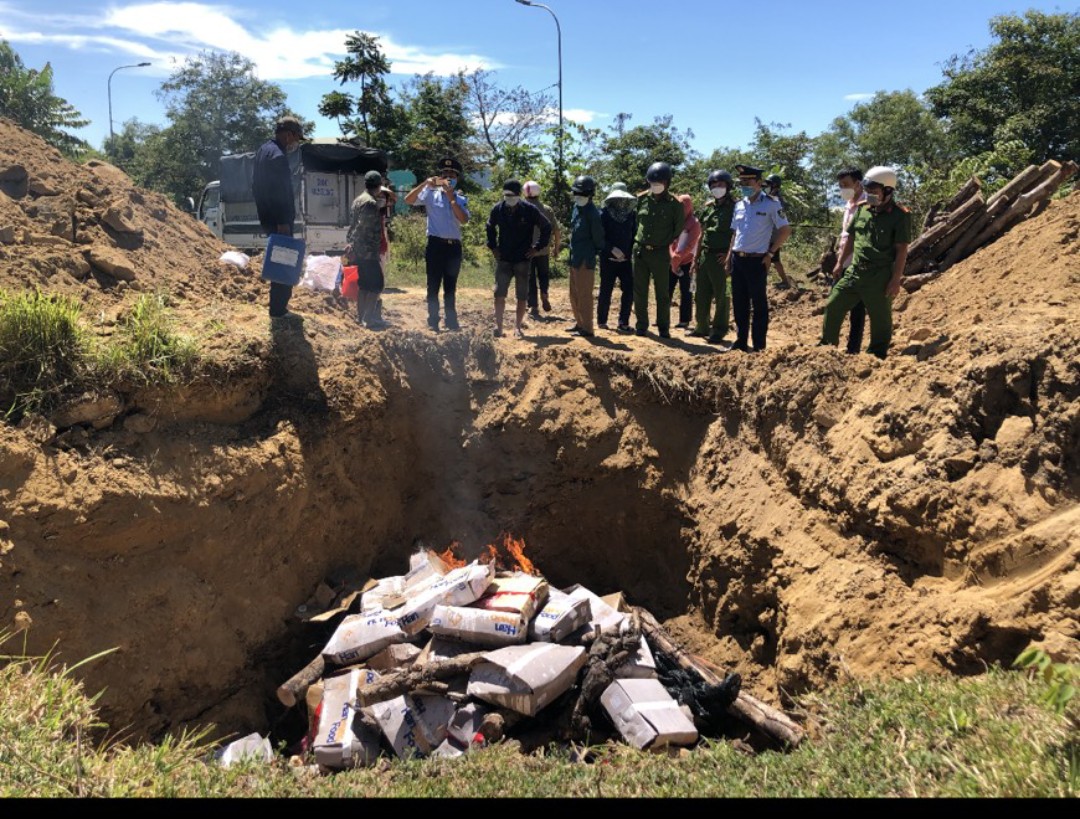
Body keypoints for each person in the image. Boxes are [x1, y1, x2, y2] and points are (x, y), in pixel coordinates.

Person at [820, 165, 911, 359]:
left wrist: (896, 279)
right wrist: (839, 262)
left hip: (879, 276)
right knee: (833, 305)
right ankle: (826, 349)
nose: (869, 195)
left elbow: (902, 249)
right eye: (868, 191)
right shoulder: (863, 210)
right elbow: (851, 238)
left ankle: (876, 356)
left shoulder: (899, 215)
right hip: (854, 271)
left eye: (874, 192)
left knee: (880, 320)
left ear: (888, 190)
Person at [723, 164, 791, 353]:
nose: (744, 184)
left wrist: (770, 253)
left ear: (759, 183)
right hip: (738, 259)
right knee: (739, 303)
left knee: (759, 304)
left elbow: (785, 230)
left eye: (748, 181)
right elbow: (735, 233)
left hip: (757, 260)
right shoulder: (739, 205)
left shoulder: (771, 204)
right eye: (742, 181)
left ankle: (759, 345)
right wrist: (729, 258)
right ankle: (740, 341)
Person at [403, 157, 470, 331]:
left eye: (452, 174)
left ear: (457, 177)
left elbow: (463, 220)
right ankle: (433, 320)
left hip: (453, 247)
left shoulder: (460, 198)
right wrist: (425, 183)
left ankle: (451, 320)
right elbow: (408, 200)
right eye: (445, 174)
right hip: (435, 245)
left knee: (450, 286)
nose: (448, 177)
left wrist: (451, 198)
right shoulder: (430, 194)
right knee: (433, 285)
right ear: (439, 176)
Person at [252, 116, 305, 319]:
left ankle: (277, 308)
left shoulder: (263, 151)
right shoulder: (278, 157)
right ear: (289, 134)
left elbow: (256, 187)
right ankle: (279, 310)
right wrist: (283, 222)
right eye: (296, 138)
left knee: (277, 260)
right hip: (280, 221)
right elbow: (280, 193)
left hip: (267, 217)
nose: (295, 143)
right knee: (284, 262)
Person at [485, 179, 552, 338]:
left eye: (512, 195)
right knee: (499, 293)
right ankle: (499, 327)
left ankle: (517, 328)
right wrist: (493, 246)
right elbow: (489, 226)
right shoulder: (498, 209)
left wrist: (537, 248)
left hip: (523, 259)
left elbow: (547, 226)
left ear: (519, 195)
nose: (509, 198)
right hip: (504, 258)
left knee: (522, 295)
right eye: (506, 195)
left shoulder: (529, 210)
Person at [633, 161, 685, 338]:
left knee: (662, 293)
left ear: (667, 183)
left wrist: (663, 243)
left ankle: (664, 328)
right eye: (652, 182)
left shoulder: (675, 204)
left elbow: (677, 229)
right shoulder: (640, 200)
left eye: (659, 182)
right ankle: (641, 325)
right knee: (640, 291)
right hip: (640, 251)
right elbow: (636, 224)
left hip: (661, 252)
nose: (655, 186)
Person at [690, 170, 736, 343]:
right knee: (700, 294)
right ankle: (701, 327)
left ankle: (719, 330)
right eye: (714, 186)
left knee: (723, 295)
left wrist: (729, 257)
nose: (717, 188)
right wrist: (695, 259)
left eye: (721, 185)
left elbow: (736, 234)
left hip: (721, 258)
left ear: (728, 186)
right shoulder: (709, 207)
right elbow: (701, 234)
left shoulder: (735, 207)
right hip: (705, 257)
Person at [345, 170, 387, 329]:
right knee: (377, 284)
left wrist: (350, 243)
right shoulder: (369, 203)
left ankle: (360, 317)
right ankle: (367, 319)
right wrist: (354, 244)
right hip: (367, 250)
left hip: (360, 250)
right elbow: (362, 227)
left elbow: (353, 225)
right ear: (378, 186)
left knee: (364, 285)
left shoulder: (358, 200)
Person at [832, 167, 868, 354]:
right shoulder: (848, 205)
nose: (842, 189)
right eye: (840, 186)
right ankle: (829, 346)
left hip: (857, 264)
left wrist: (840, 262)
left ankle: (853, 349)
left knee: (857, 311)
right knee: (834, 305)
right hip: (843, 262)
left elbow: (855, 239)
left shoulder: (867, 205)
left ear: (857, 183)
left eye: (846, 185)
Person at [567, 175, 605, 337]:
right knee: (574, 293)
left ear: (590, 194)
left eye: (581, 194)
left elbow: (598, 238)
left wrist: (593, 252)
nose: (578, 196)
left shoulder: (593, 213)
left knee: (584, 295)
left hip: (585, 258)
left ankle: (587, 328)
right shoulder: (576, 208)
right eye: (576, 193)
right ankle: (579, 323)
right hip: (574, 256)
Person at [598, 182, 637, 332]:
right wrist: (611, 249)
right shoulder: (604, 214)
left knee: (629, 290)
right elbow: (600, 238)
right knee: (606, 290)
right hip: (608, 259)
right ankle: (602, 321)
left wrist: (626, 253)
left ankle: (623, 322)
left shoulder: (631, 215)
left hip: (625, 260)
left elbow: (633, 236)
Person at [523, 180, 561, 319]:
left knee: (530, 278)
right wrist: (556, 248)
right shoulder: (547, 209)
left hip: (527, 251)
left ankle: (533, 306)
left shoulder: (522, 208)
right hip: (543, 250)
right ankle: (544, 293)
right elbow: (556, 231)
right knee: (543, 275)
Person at [668, 194, 701, 330]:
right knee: (666, 290)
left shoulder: (694, 223)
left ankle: (684, 320)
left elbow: (691, 244)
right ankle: (662, 318)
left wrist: (678, 257)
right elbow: (669, 240)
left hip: (688, 262)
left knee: (686, 291)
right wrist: (672, 257)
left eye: (683, 206)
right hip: (672, 261)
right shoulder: (674, 221)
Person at [763, 174, 795, 289]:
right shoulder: (769, 198)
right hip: (770, 236)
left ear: (775, 186)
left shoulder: (776, 201)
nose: (766, 187)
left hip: (773, 237)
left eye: (769, 185)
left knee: (768, 258)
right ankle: (784, 281)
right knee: (775, 260)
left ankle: (764, 281)